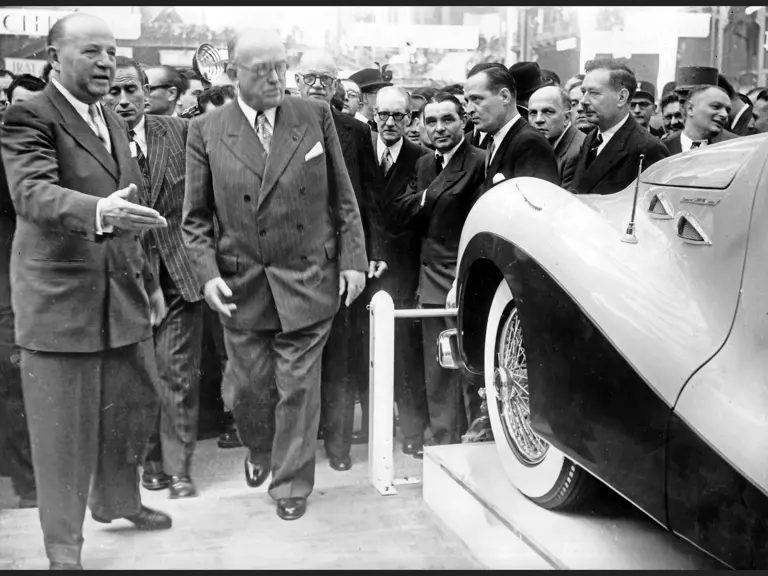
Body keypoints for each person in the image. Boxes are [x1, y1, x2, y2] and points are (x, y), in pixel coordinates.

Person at [0, 13, 172, 570]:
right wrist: (98, 211)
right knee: (62, 436)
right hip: (60, 305)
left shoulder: (111, 117)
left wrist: (148, 283)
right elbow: (32, 193)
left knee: (133, 407)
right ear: (54, 56)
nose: (105, 62)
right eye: (91, 51)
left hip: (121, 297)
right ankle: (64, 551)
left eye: (112, 51)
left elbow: (132, 209)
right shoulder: (28, 116)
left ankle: (117, 502)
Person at [182, 27, 367, 522]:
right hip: (242, 283)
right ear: (232, 73)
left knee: (298, 390)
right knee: (246, 391)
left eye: (280, 67)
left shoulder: (314, 115)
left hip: (308, 276)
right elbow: (195, 218)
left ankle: (290, 484)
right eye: (261, 69)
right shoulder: (205, 130)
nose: (275, 78)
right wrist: (204, 274)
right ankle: (259, 448)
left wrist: (352, 260)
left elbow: (342, 198)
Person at [104, 56, 205, 498]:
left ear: (148, 91)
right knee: (139, 377)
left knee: (178, 373)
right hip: (126, 281)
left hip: (180, 276)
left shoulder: (180, 132)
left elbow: (205, 201)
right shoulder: (96, 144)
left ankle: (179, 468)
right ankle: (151, 462)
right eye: (114, 91)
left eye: (131, 90)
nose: (123, 100)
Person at [294, 49, 385, 471]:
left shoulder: (354, 131)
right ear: (297, 80)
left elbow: (371, 199)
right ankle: (296, 447)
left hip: (342, 262)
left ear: (336, 88)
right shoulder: (277, 126)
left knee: (341, 355)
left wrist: (369, 254)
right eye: (309, 77)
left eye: (325, 79)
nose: (316, 85)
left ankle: (339, 446)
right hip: (293, 263)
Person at [392, 92, 486, 450]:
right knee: (438, 367)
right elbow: (400, 211)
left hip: (459, 278)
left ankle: (470, 445)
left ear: (463, 121)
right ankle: (446, 441)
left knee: (465, 366)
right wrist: (427, 197)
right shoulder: (425, 164)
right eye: (430, 121)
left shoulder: (479, 162)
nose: (439, 128)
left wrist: (460, 279)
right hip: (429, 280)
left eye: (447, 119)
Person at [369, 85, 431, 455]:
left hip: (404, 270)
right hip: (365, 269)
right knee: (366, 350)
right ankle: (372, 429)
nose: (390, 123)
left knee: (407, 357)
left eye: (398, 115)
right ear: (373, 115)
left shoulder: (421, 159)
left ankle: (411, 432)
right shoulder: (361, 155)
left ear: (410, 118)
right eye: (383, 115)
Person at [570, 58, 669, 196]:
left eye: (594, 93)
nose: (584, 101)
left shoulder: (648, 148)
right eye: (583, 92)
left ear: (621, 97)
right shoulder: (591, 139)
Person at [465, 63, 559, 193]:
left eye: (477, 99)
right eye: (467, 101)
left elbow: (534, 206)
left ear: (505, 97)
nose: (469, 109)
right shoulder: (498, 140)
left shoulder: (529, 144)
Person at [528, 85, 586, 190]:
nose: (538, 119)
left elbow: (566, 201)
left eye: (548, 112)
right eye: (533, 113)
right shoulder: (534, 146)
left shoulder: (579, 151)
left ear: (567, 118)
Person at [662, 85, 738, 154]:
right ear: (690, 108)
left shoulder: (733, 148)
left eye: (727, 111)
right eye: (716, 106)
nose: (724, 115)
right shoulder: (662, 148)